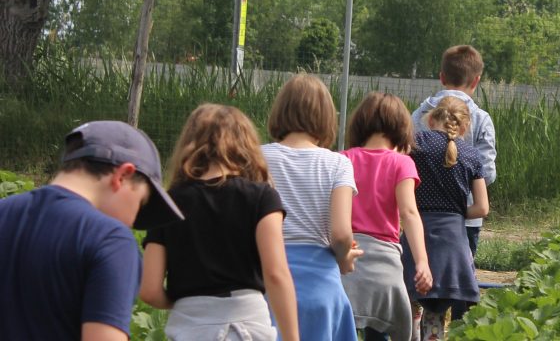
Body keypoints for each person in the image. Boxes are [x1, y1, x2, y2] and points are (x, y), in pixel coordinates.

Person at [0, 120, 183, 341]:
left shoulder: (5, 212)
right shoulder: (111, 240)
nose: (133, 221)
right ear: (123, 175)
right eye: (141, 204)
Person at [140, 104, 298, 341]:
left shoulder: (168, 203)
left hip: (190, 328)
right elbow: (276, 273)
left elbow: (150, 291)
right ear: (245, 146)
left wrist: (188, 303)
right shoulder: (262, 197)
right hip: (248, 325)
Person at [261, 74, 361, 341]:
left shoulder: (257, 158)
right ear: (327, 117)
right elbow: (341, 235)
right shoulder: (338, 164)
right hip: (320, 290)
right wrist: (343, 259)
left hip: (266, 285)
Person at [340, 92, 433, 341]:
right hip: (385, 262)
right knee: (383, 326)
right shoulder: (402, 163)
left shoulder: (343, 159)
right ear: (401, 127)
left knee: (344, 324)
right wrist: (422, 261)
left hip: (346, 256)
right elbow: (409, 213)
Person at [403, 96, 489, 341]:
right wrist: (456, 211)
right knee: (437, 310)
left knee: (410, 299)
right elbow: (482, 208)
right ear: (464, 127)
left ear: (430, 120)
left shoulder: (415, 145)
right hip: (452, 243)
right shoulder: (471, 155)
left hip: (416, 233)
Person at [411, 45, 496, 257]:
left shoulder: (419, 114)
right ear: (476, 81)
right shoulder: (481, 118)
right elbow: (488, 173)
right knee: (458, 276)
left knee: (419, 273)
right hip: (465, 217)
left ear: (442, 77)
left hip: (421, 216)